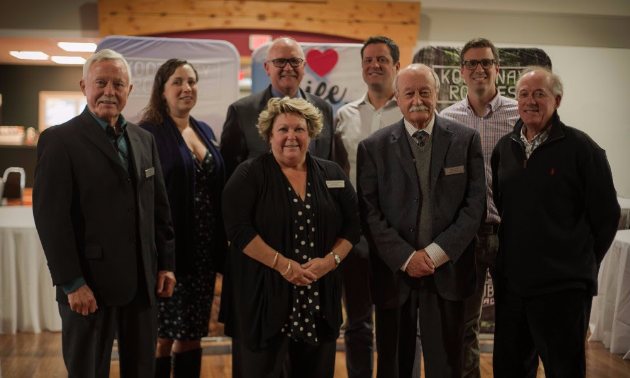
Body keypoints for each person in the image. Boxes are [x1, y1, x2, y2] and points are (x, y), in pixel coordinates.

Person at [32, 49, 176, 378]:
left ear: (129, 90)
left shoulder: (144, 139)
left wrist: (166, 263)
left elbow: (159, 209)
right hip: (89, 287)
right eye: (101, 82)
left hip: (142, 285)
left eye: (118, 84)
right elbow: (51, 219)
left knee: (141, 370)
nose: (109, 91)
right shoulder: (59, 140)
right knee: (88, 371)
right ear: (84, 86)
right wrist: (72, 283)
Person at [490, 66, 620, 378]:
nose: (530, 101)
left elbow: (606, 216)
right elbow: (502, 203)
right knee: (510, 370)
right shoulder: (504, 149)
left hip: (563, 289)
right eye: (524, 94)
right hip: (513, 287)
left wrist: (579, 263)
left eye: (539, 94)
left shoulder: (582, 149)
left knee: (564, 370)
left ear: (557, 100)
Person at [357, 64, 486, 378]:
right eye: (409, 93)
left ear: (437, 95)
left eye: (424, 92)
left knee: (447, 364)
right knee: (393, 364)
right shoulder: (372, 148)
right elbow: (369, 213)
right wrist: (405, 258)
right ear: (397, 98)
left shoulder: (465, 140)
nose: (417, 99)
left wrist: (435, 254)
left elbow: (475, 207)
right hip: (394, 274)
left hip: (448, 272)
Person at [220, 97, 360, 378]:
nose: (291, 137)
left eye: (299, 129)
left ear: (311, 134)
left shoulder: (331, 173)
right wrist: (283, 265)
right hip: (263, 299)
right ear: (269, 135)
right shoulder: (248, 174)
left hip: (318, 301)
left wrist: (330, 262)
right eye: (283, 129)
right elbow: (237, 229)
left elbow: (353, 226)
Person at [139, 58, 227, 378]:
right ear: (162, 91)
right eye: (177, 82)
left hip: (202, 254)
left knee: (192, 335)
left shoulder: (203, 130)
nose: (186, 88)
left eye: (191, 81)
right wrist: (160, 256)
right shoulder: (147, 134)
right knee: (162, 337)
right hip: (168, 255)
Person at [439, 37, 519, 378]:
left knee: (514, 321)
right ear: (461, 72)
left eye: (486, 62)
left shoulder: (521, 113)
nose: (479, 69)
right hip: (467, 238)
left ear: (497, 69)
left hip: (513, 236)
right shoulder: (447, 119)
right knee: (465, 323)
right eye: (471, 63)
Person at [332, 35, 407, 378]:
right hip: (355, 233)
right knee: (358, 322)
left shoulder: (410, 112)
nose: (374, 65)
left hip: (400, 233)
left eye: (382, 59)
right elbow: (335, 173)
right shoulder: (343, 116)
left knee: (399, 320)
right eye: (368, 60)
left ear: (396, 66)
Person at [221, 36, 333, 178]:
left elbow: (328, 163)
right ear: (267, 68)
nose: (288, 68)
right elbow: (230, 172)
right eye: (280, 61)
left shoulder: (324, 109)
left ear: (303, 67)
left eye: (294, 61)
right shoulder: (242, 112)